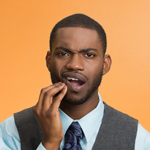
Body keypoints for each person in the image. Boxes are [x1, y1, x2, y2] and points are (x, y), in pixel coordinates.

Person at [0, 14, 150, 150]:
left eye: (89, 55)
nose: (75, 65)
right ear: (49, 60)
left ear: (105, 65)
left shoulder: (139, 140)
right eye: (63, 53)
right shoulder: (11, 131)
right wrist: (50, 143)